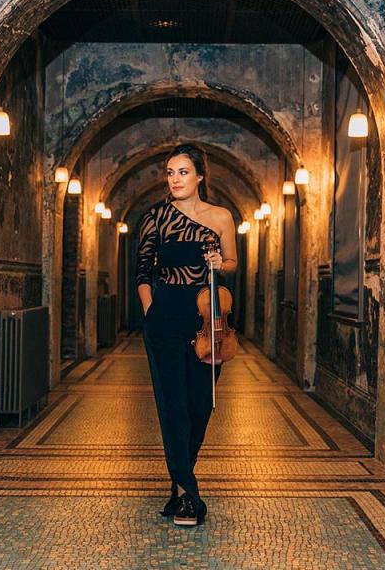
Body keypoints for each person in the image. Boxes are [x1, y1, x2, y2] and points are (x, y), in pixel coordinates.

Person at [135, 143, 238, 527]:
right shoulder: (155, 217)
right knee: (173, 406)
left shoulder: (221, 217)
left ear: (199, 176)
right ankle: (186, 493)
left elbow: (233, 262)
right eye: (170, 172)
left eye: (183, 172)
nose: (175, 179)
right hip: (164, 320)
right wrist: (151, 311)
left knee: (200, 404)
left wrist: (220, 263)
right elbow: (142, 272)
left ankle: (180, 482)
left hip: (206, 322)